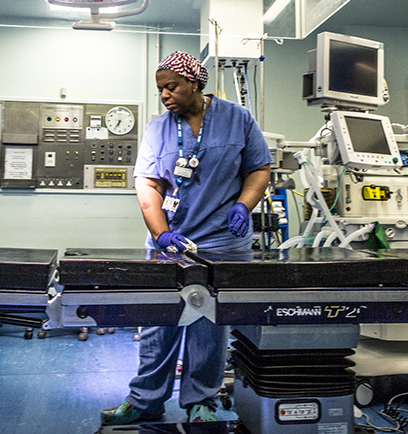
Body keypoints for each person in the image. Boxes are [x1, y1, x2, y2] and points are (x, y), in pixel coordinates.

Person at [99, 51, 271, 426]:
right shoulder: (157, 128)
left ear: (194, 82)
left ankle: (201, 403)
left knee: (208, 330)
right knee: (158, 327)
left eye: (171, 86)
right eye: (160, 88)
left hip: (222, 243)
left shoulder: (237, 119)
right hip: (170, 244)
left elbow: (259, 168)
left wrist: (245, 206)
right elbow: (147, 184)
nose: (164, 94)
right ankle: (144, 400)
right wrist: (160, 233)